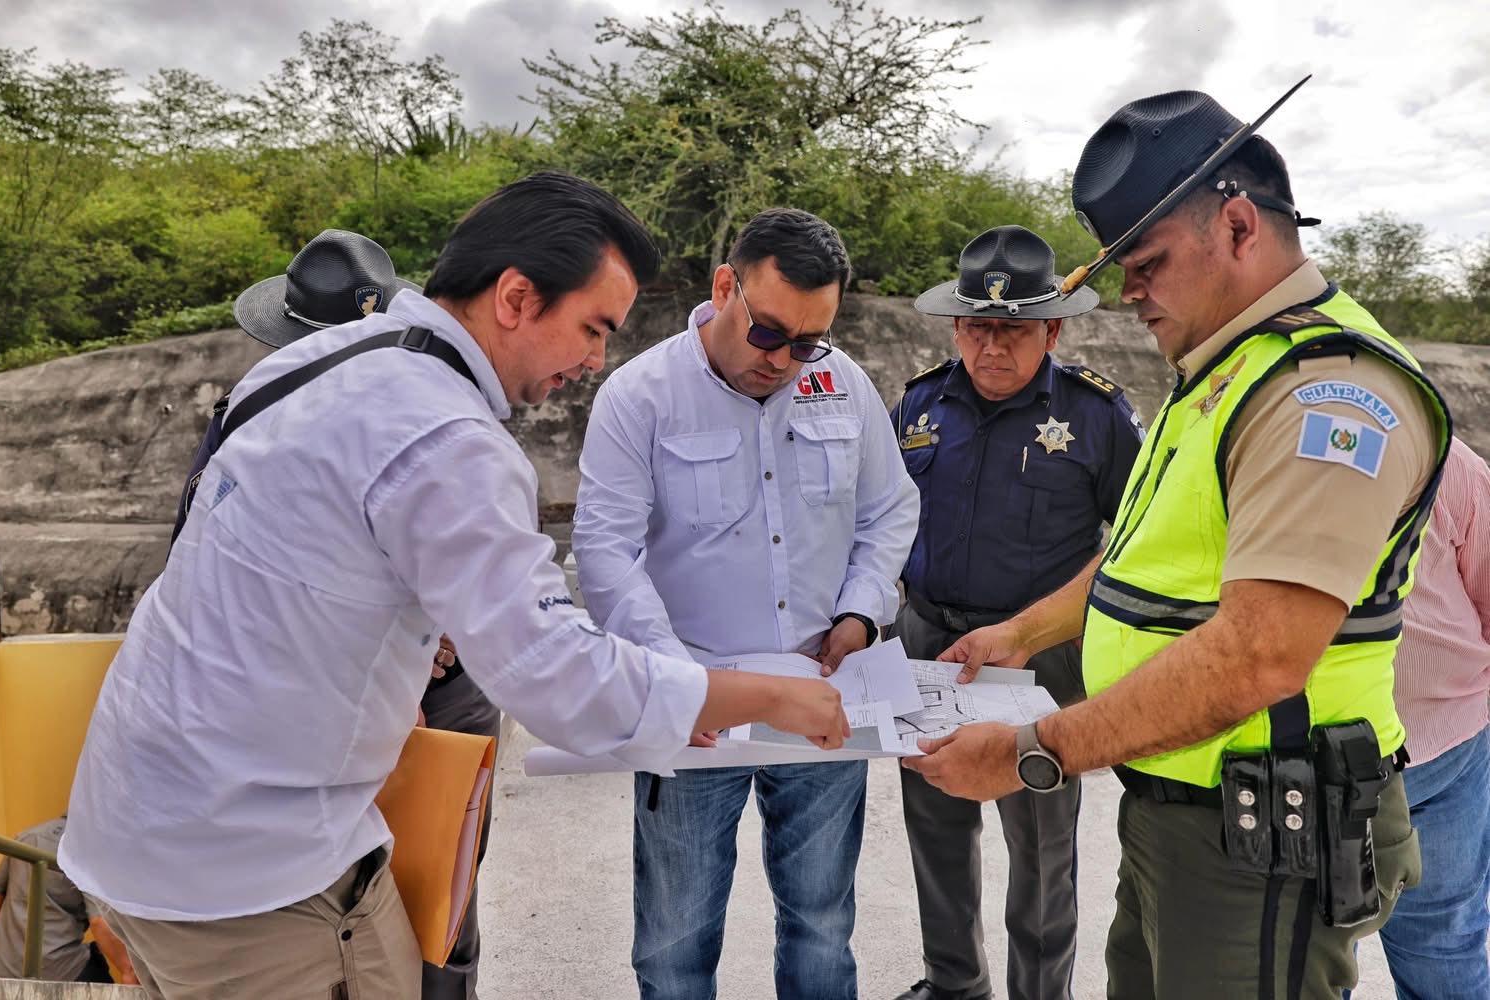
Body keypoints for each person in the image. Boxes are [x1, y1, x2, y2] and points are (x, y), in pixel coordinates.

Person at [59, 172, 851, 1000]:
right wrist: (767, 697)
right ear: (515, 297)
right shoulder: (447, 438)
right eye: (592, 328)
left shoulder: (312, 362)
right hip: (246, 872)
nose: (596, 360)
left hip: (142, 820)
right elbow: (556, 672)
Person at [904, 86, 1452, 999]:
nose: (1129, 293)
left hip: (1262, 842)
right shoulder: (1223, 375)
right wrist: (1021, 634)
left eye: (1148, 261)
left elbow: (1259, 655)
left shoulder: (1322, 393)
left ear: (1237, 227)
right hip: (1186, 815)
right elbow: (1135, 563)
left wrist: (1030, 750)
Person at [573, 207, 919, 1000]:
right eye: (768, 333)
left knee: (822, 927)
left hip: (821, 694)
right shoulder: (641, 395)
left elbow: (889, 507)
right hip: (696, 704)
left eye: (809, 341)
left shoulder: (842, 383)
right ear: (725, 286)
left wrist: (860, 611)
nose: (784, 360)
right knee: (675, 941)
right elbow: (606, 553)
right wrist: (678, 681)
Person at [171, 228, 503, 1000]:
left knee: (434, 905)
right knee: (337, 914)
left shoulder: (441, 408)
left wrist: (436, 636)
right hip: (320, 705)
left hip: (431, 702)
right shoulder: (254, 416)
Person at [889, 226, 1143, 1000]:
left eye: (1013, 329)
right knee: (935, 828)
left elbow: (1136, 544)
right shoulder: (919, 404)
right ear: (955, 326)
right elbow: (882, 522)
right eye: (976, 327)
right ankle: (955, 985)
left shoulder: (1096, 415)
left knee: (1040, 852)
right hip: (930, 643)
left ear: (1052, 331)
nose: (992, 345)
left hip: (1040, 660)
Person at [1378, 437, 1490, 1000]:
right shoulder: (1448, 456)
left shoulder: (1453, 463)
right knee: (1305, 962)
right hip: (1309, 762)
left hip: (1443, 753)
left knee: (1442, 952)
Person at [0, 816, 136, 984]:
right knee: (100, 977)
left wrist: (15, 946)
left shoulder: (26, 837)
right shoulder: (87, 848)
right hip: (58, 969)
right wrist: (128, 969)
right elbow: (99, 922)